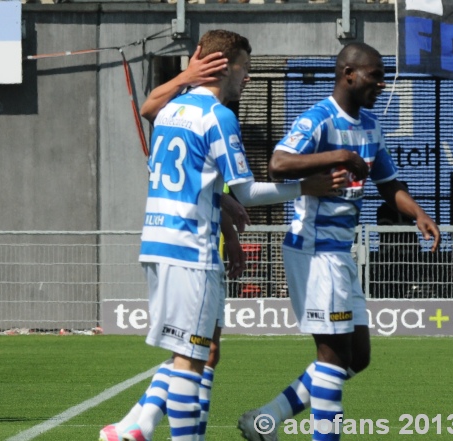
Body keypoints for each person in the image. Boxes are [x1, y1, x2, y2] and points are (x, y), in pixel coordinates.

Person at [108, 30, 345, 441]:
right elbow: (249, 192)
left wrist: (219, 204)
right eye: (246, 69)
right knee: (190, 360)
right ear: (225, 67)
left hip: (159, 242)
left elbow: (153, 114)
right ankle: (147, 429)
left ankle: (138, 425)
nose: (248, 78)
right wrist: (307, 186)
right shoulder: (218, 116)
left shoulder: (170, 109)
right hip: (189, 248)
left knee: (198, 352)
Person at [237, 42, 441, 441]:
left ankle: (265, 419)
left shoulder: (370, 124)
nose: (382, 84)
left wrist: (418, 213)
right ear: (348, 73)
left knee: (357, 358)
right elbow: (278, 163)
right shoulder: (319, 119)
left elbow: (388, 184)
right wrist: (338, 156)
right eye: (375, 75)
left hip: (339, 253)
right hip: (313, 251)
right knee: (331, 357)